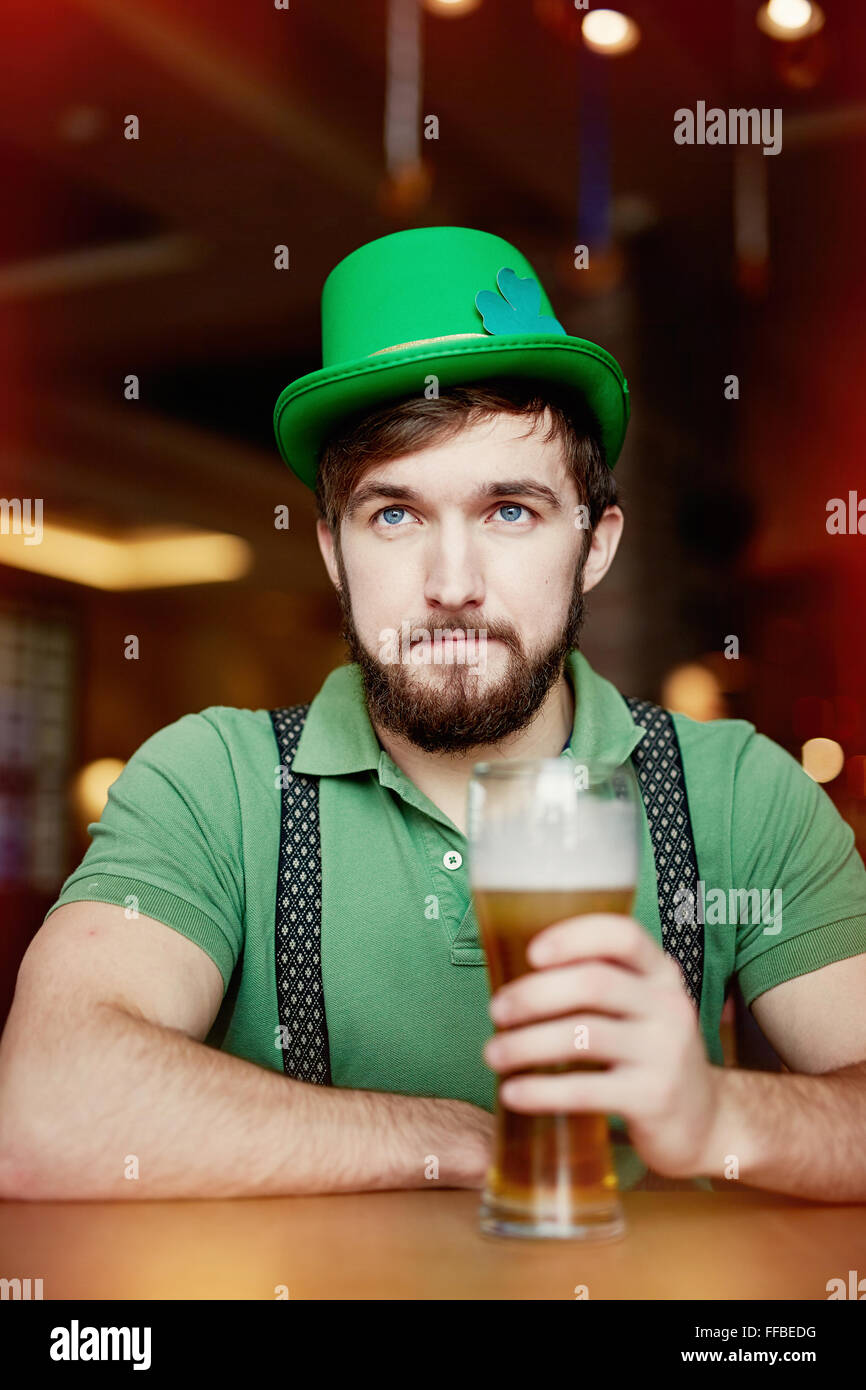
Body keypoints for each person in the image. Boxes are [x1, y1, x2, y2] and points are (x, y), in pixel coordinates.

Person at [1, 226, 865, 1204]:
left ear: (594, 545)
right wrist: (451, 1139)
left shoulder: (739, 789)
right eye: (395, 514)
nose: (451, 584)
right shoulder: (209, 784)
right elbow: (40, 1111)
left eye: (509, 511)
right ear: (333, 551)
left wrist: (719, 1116)